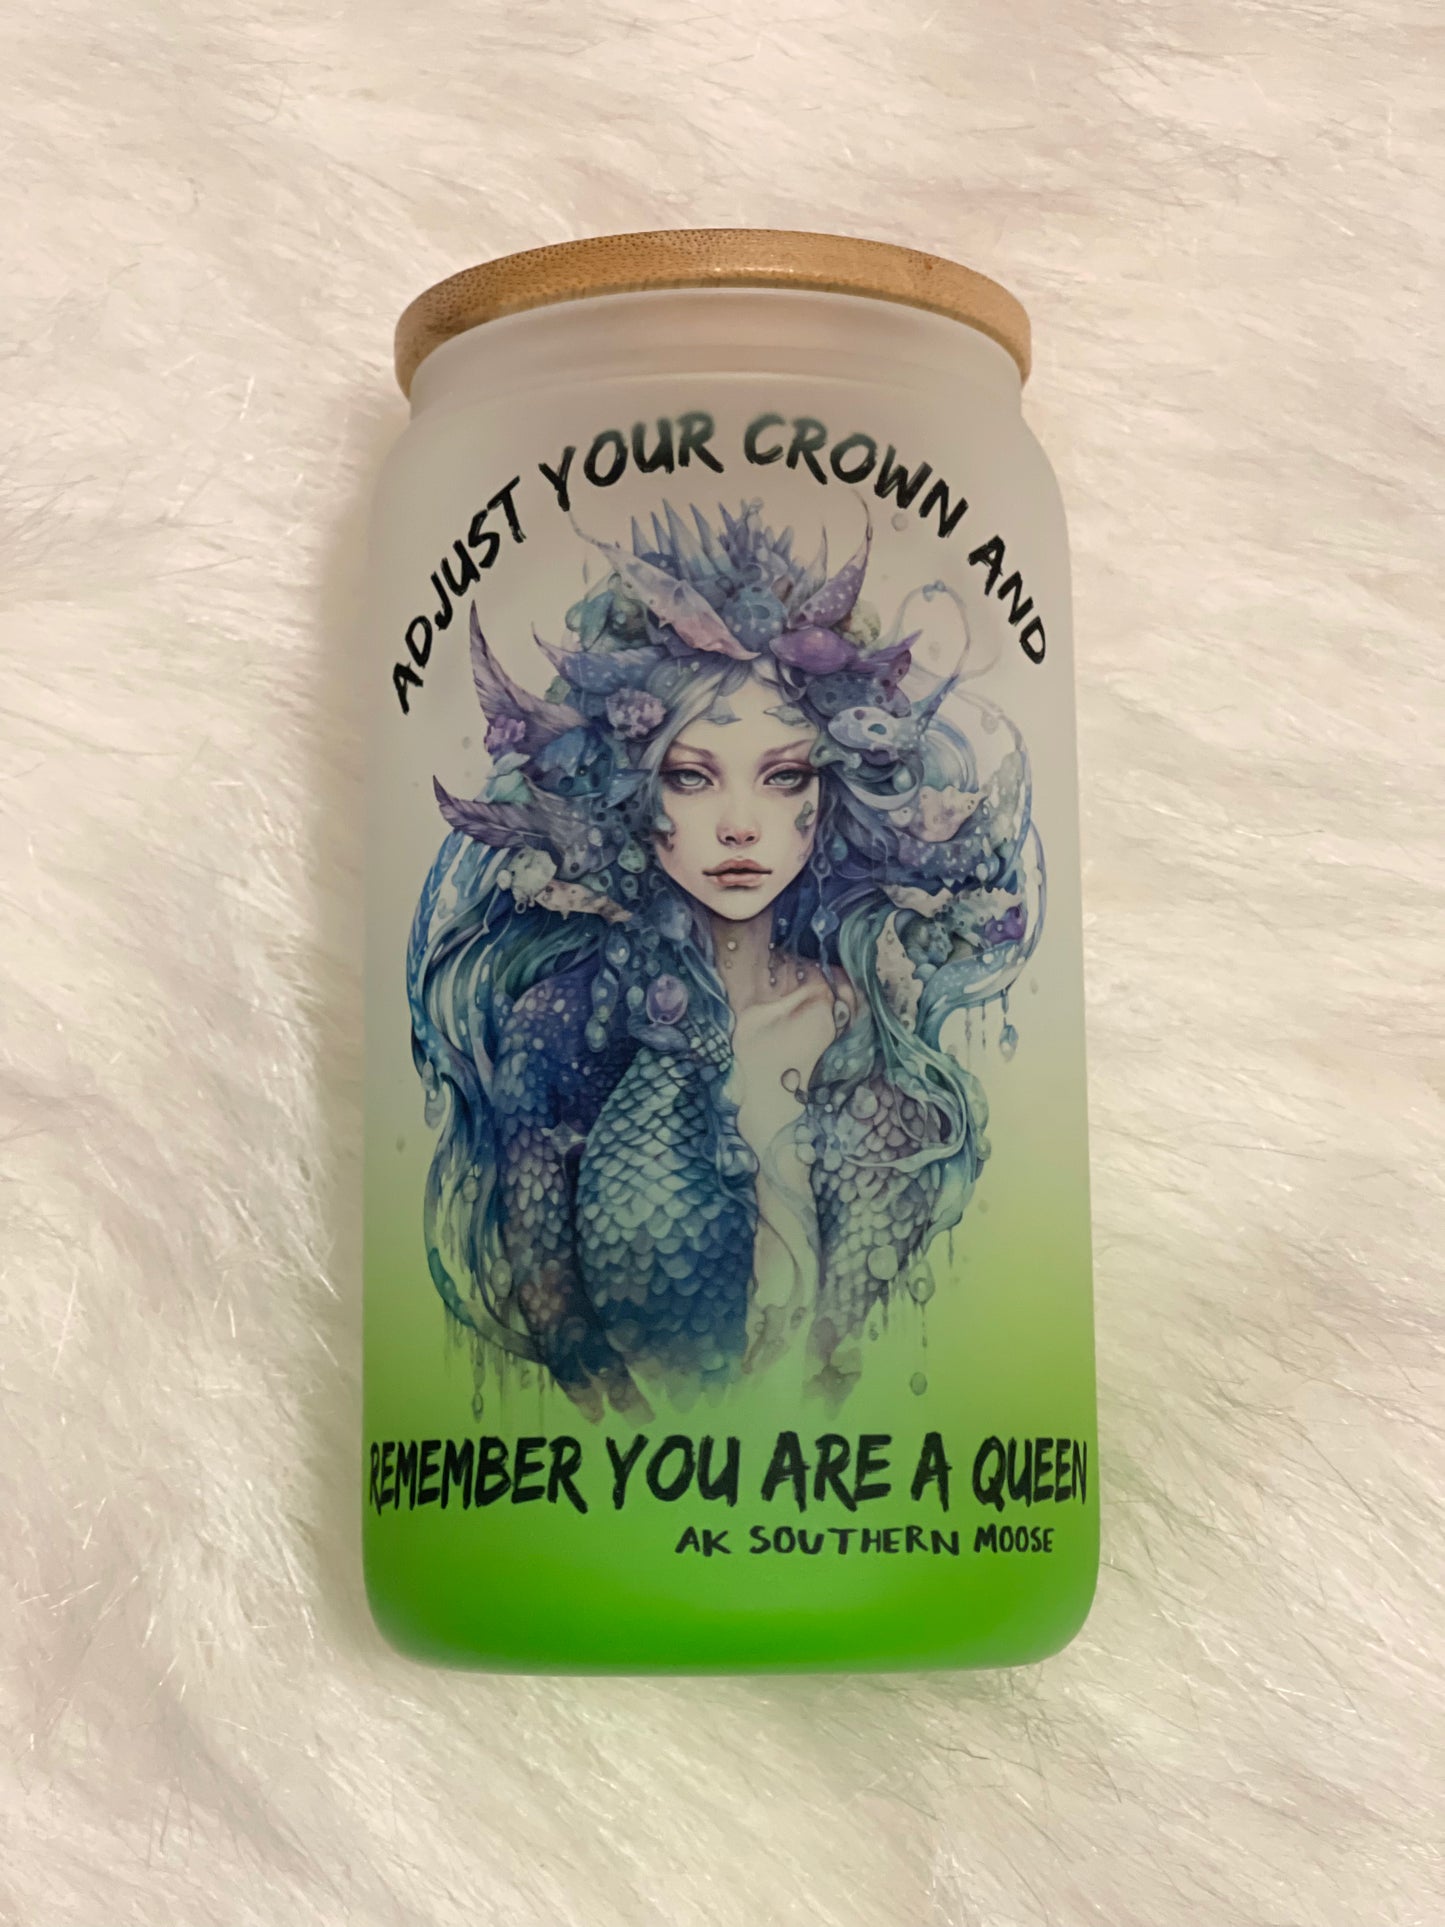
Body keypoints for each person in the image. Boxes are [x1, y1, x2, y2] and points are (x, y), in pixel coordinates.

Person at [408, 501, 1041, 1420]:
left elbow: (874, 1338)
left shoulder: (862, 1028)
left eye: (782, 776)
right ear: (631, 790)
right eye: (690, 776)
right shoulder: (568, 1023)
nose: (740, 824)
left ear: (829, 792)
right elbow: (562, 1325)